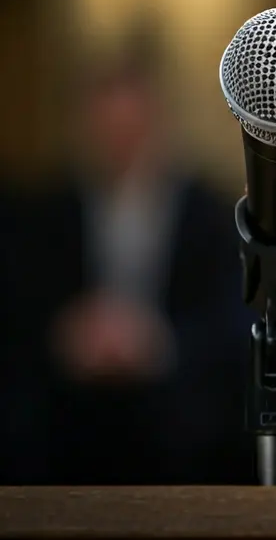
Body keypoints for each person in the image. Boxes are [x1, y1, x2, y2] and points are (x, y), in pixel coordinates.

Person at [17, 57, 247, 484]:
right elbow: (22, 309)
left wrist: (156, 341)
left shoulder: (210, 211)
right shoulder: (45, 210)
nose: (120, 141)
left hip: (176, 405)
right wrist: (72, 336)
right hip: (68, 405)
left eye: (132, 129)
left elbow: (228, 317)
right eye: (107, 129)